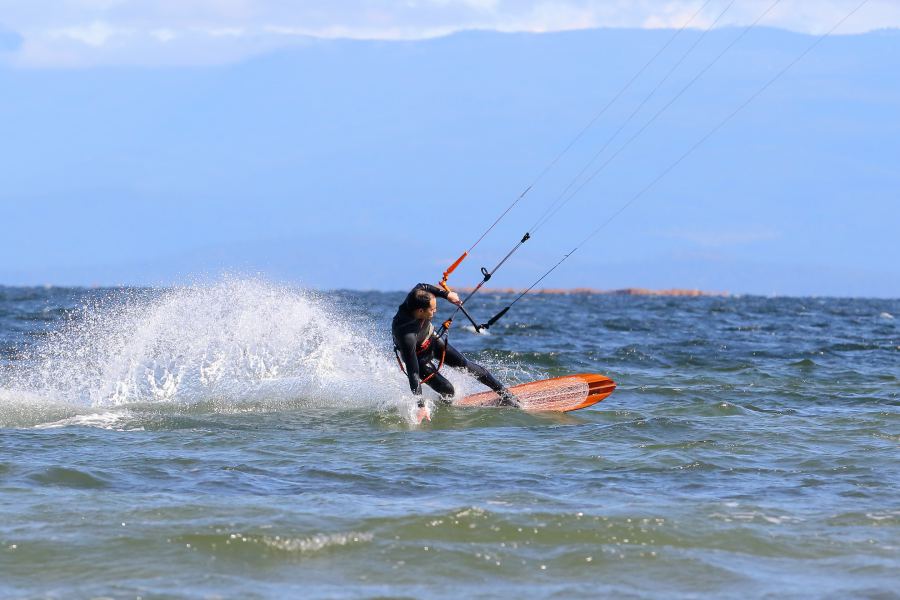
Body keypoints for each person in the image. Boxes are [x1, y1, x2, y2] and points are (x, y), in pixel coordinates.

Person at [392, 283, 518, 406]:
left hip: (432, 340)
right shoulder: (406, 334)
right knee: (448, 391)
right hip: (418, 357)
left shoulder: (417, 295)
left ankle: (505, 395)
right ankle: (442, 411)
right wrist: (420, 406)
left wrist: (447, 295)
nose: (436, 310)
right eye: (432, 309)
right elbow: (413, 371)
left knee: (465, 365)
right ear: (420, 311)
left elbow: (423, 286)